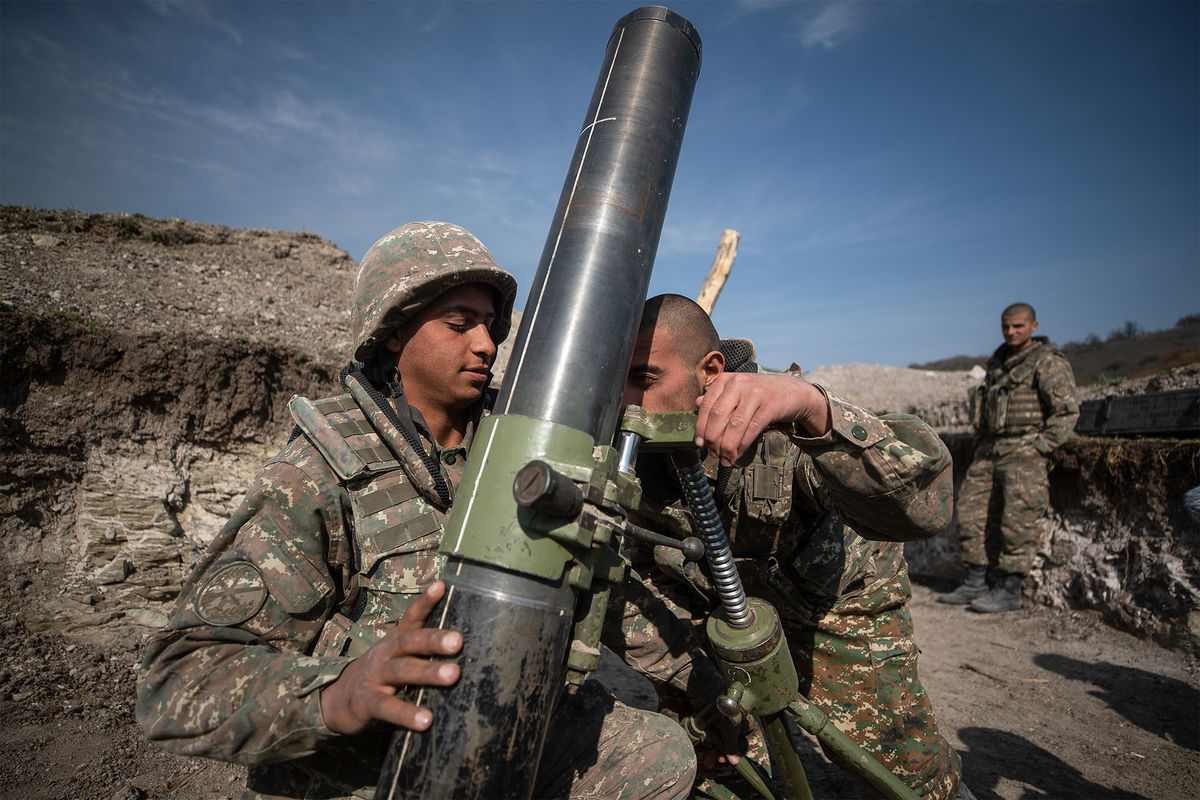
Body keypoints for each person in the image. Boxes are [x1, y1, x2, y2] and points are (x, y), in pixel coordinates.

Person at [135, 222, 697, 800]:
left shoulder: (515, 448)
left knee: (657, 755)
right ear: (395, 332)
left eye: (489, 325)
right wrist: (341, 693)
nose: (485, 343)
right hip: (370, 768)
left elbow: (606, 596)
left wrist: (702, 680)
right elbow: (179, 680)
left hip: (500, 729)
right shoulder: (319, 472)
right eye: (459, 324)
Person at [616, 294, 972, 800]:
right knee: (717, 766)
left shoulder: (784, 431)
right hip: (715, 617)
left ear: (711, 371)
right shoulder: (631, 450)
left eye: (644, 379)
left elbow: (926, 506)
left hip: (832, 607)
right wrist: (693, 679)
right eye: (619, 380)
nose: (627, 400)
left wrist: (814, 408)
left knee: (902, 771)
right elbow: (632, 571)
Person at [938, 302, 1079, 613]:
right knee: (970, 513)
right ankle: (975, 579)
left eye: (1018, 326)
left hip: (1024, 450)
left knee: (1019, 518)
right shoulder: (998, 362)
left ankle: (1009, 589)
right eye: (1006, 326)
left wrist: (1040, 446)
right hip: (989, 449)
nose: (1011, 332)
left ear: (1033, 326)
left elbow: (1067, 412)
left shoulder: (1047, 362)